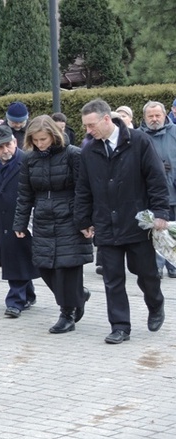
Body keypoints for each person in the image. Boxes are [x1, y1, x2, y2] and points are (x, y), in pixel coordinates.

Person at [77, 98, 169, 344]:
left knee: (146, 273)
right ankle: (120, 326)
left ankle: (156, 303)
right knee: (112, 278)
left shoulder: (139, 142)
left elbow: (156, 179)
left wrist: (160, 212)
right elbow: (83, 189)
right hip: (106, 224)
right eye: (85, 126)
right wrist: (84, 219)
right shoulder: (89, 150)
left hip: (136, 222)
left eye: (91, 125)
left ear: (107, 119)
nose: (88, 131)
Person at [14, 115, 92, 333]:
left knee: (67, 266)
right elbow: (24, 194)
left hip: (70, 215)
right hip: (43, 217)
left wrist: (84, 220)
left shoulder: (73, 154)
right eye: (36, 140)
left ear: (53, 135)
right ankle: (78, 295)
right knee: (43, 265)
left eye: (43, 139)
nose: (40, 144)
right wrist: (19, 224)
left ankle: (67, 313)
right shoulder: (29, 159)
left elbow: (83, 190)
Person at [0, 126, 39, 318]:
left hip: (23, 221)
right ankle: (27, 293)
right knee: (13, 259)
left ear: (15, 142)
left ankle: (15, 301)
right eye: (1, 147)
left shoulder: (27, 161)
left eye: (9, 145)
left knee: (18, 258)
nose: (6, 150)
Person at [139, 101, 176, 278]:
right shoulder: (137, 137)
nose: (154, 119)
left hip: (174, 192)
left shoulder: (175, 133)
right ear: (144, 118)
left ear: (164, 115)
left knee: (173, 233)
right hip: (150, 197)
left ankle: (173, 265)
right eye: (150, 116)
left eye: (157, 115)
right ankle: (156, 268)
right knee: (155, 234)